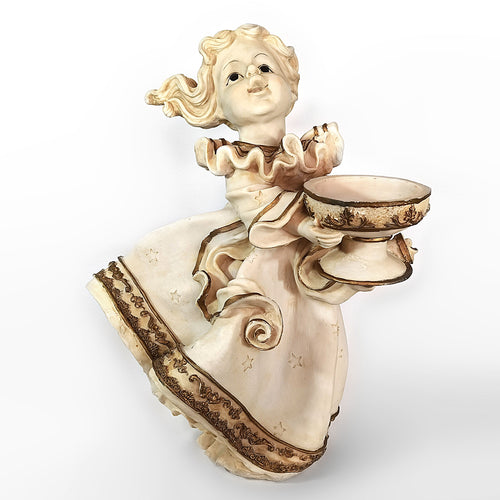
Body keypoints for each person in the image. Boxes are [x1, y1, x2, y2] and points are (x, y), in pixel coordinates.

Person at [89, 24, 367, 480]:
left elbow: (326, 194)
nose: (254, 79)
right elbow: (255, 205)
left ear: (291, 84)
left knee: (312, 349)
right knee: (255, 344)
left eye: (264, 68)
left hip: (306, 271)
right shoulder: (239, 158)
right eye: (234, 77)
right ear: (217, 104)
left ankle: (288, 429)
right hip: (266, 270)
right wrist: (307, 224)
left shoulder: (309, 151)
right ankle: (244, 429)